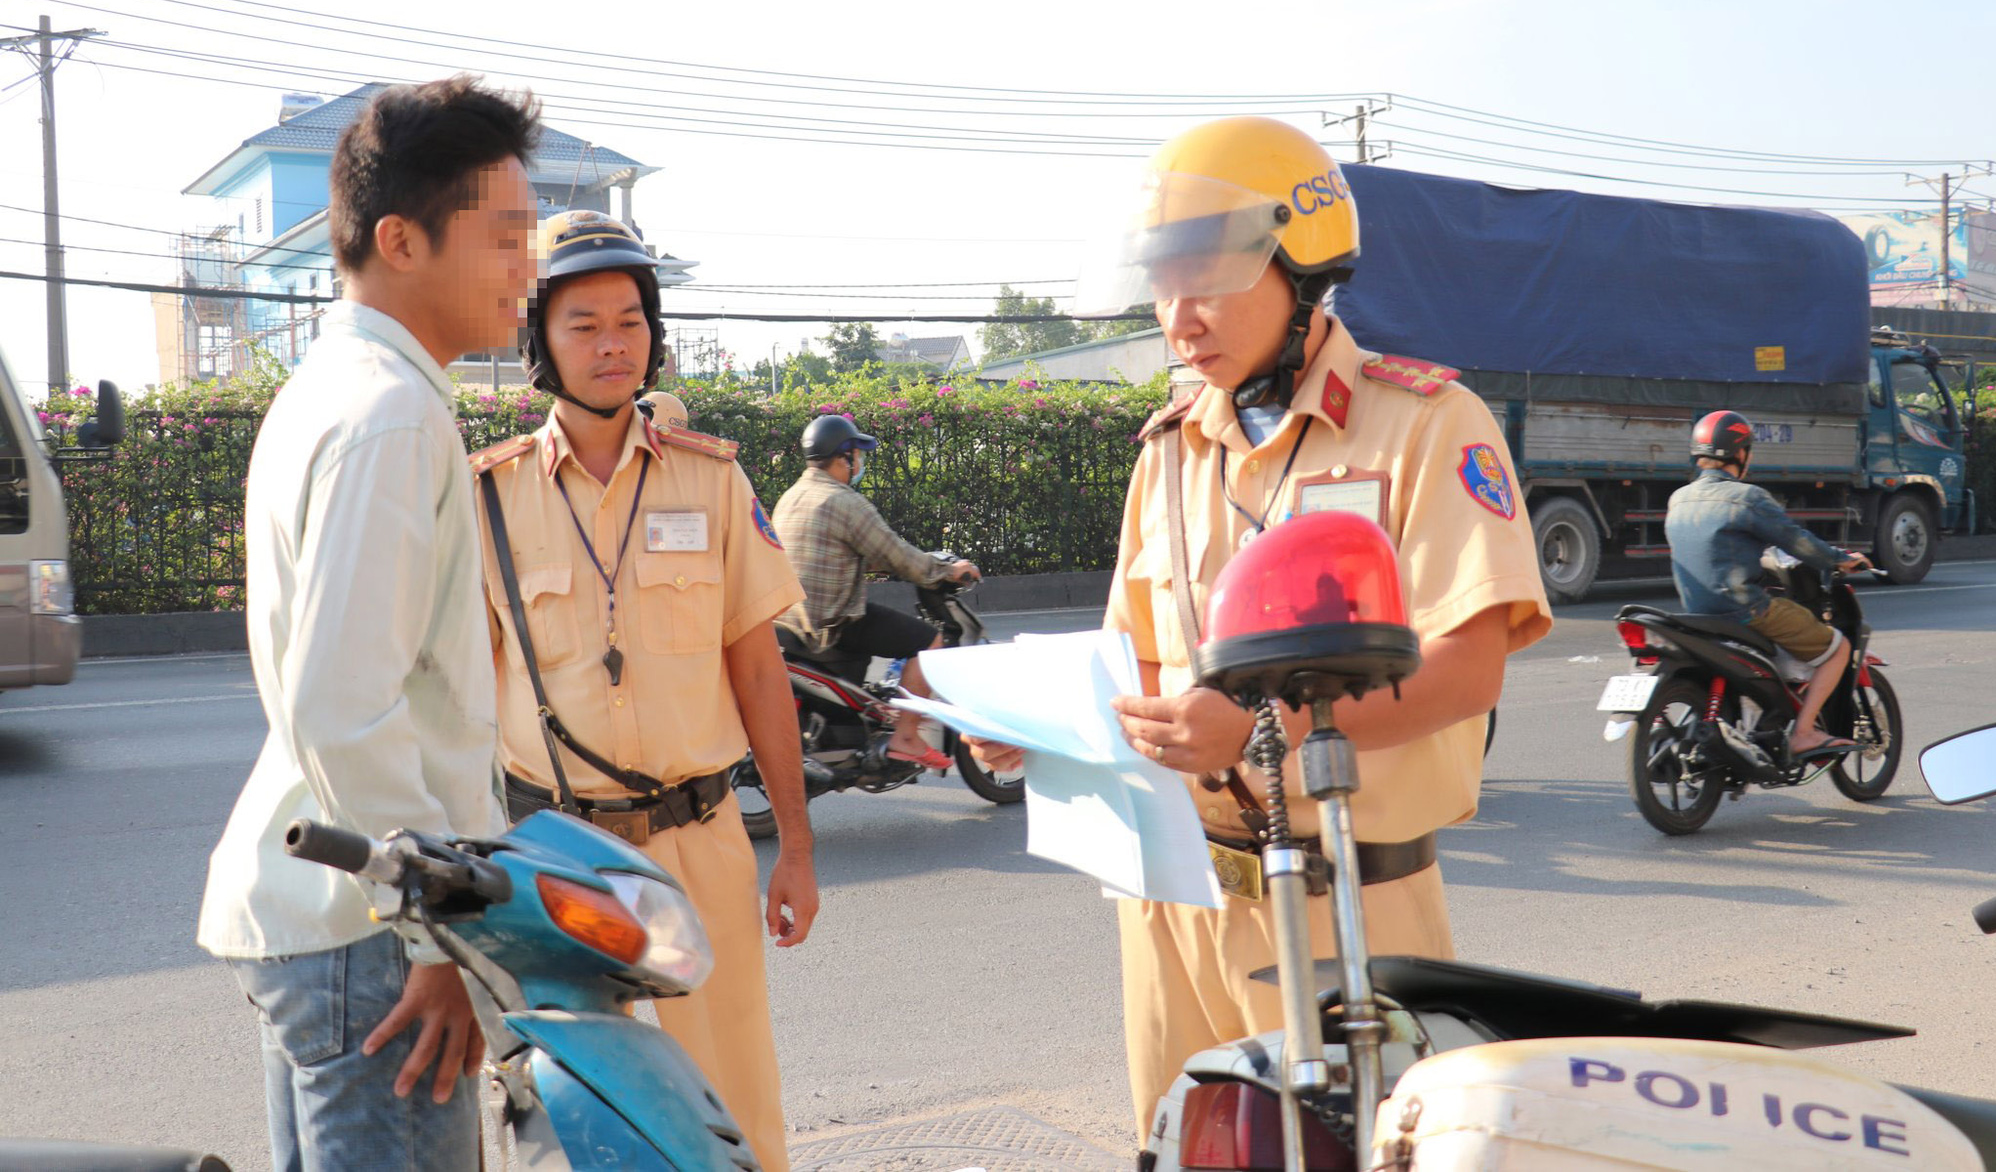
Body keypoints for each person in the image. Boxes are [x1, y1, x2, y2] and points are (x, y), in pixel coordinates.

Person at [974, 115, 1552, 1141]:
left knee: (1363, 1153)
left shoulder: (1424, 422)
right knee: (1178, 1147)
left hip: (1347, 898)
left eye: (1206, 274)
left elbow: (1468, 669)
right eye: (1161, 281)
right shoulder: (1166, 451)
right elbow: (1134, 666)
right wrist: (1043, 728)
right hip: (1169, 901)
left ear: (1302, 264)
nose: (1176, 313)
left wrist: (1256, 734)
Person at [196, 76, 542, 1171]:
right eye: (506, 236)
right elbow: (345, 707)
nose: (525, 268)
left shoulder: (331, 388)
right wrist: (432, 933)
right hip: (371, 934)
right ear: (401, 238)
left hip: (330, 918)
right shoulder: (390, 413)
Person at [471, 208, 816, 1172]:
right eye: (582, 323)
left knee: (731, 1106)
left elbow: (758, 670)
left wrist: (795, 842)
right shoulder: (488, 496)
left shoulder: (710, 483)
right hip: (559, 859)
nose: (612, 343)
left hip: (698, 851)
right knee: (577, 1116)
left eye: (630, 319)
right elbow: (462, 701)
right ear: (540, 338)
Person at [770, 414, 980, 768]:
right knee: (930, 643)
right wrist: (947, 570)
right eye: (857, 455)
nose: (860, 463)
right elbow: (896, 554)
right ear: (844, 458)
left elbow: (835, 552)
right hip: (831, 623)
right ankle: (907, 736)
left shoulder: (790, 498)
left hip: (788, 619)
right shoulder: (845, 502)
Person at [1665, 409, 1870, 758]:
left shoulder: (1678, 498)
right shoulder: (1747, 497)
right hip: (1744, 611)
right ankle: (1803, 733)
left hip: (1697, 615)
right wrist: (1839, 559)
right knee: (1838, 650)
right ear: (1741, 453)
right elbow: (1796, 541)